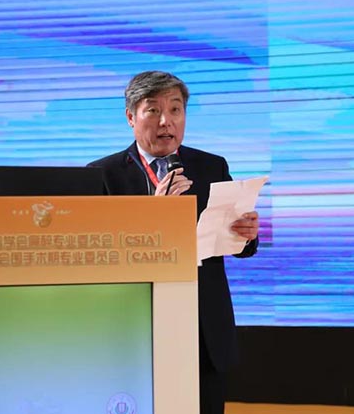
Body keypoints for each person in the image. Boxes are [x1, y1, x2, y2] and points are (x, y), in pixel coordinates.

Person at [88, 71, 260, 414]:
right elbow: (99, 255)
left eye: (175, 110)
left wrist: (246, 234)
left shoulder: (211, 166)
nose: (166, 121)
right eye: (153, 110)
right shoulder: (103, 175)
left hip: (203, 329)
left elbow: (239, 246)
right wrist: (156, 213)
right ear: (131, 117)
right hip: (135, 331)